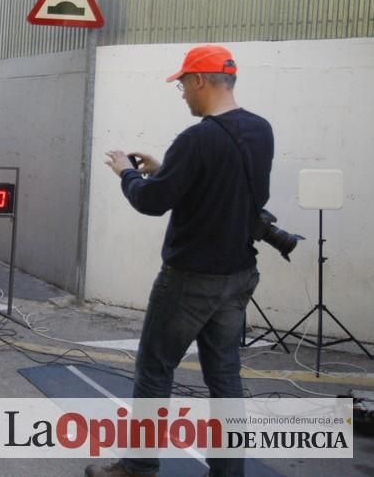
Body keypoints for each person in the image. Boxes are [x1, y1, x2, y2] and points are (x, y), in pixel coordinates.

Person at [87, 46, 273, 477]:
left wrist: (126, 172)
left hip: (190, 279)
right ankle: (228, 472)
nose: (183, 93)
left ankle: (138, 466)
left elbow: (151, 202)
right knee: (225, 376)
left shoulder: (196, 139)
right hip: (238, 275)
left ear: (199, 80)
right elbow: (230, 187)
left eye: (183, 84)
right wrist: (166, 169)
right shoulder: (260, 130)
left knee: (155, 369)